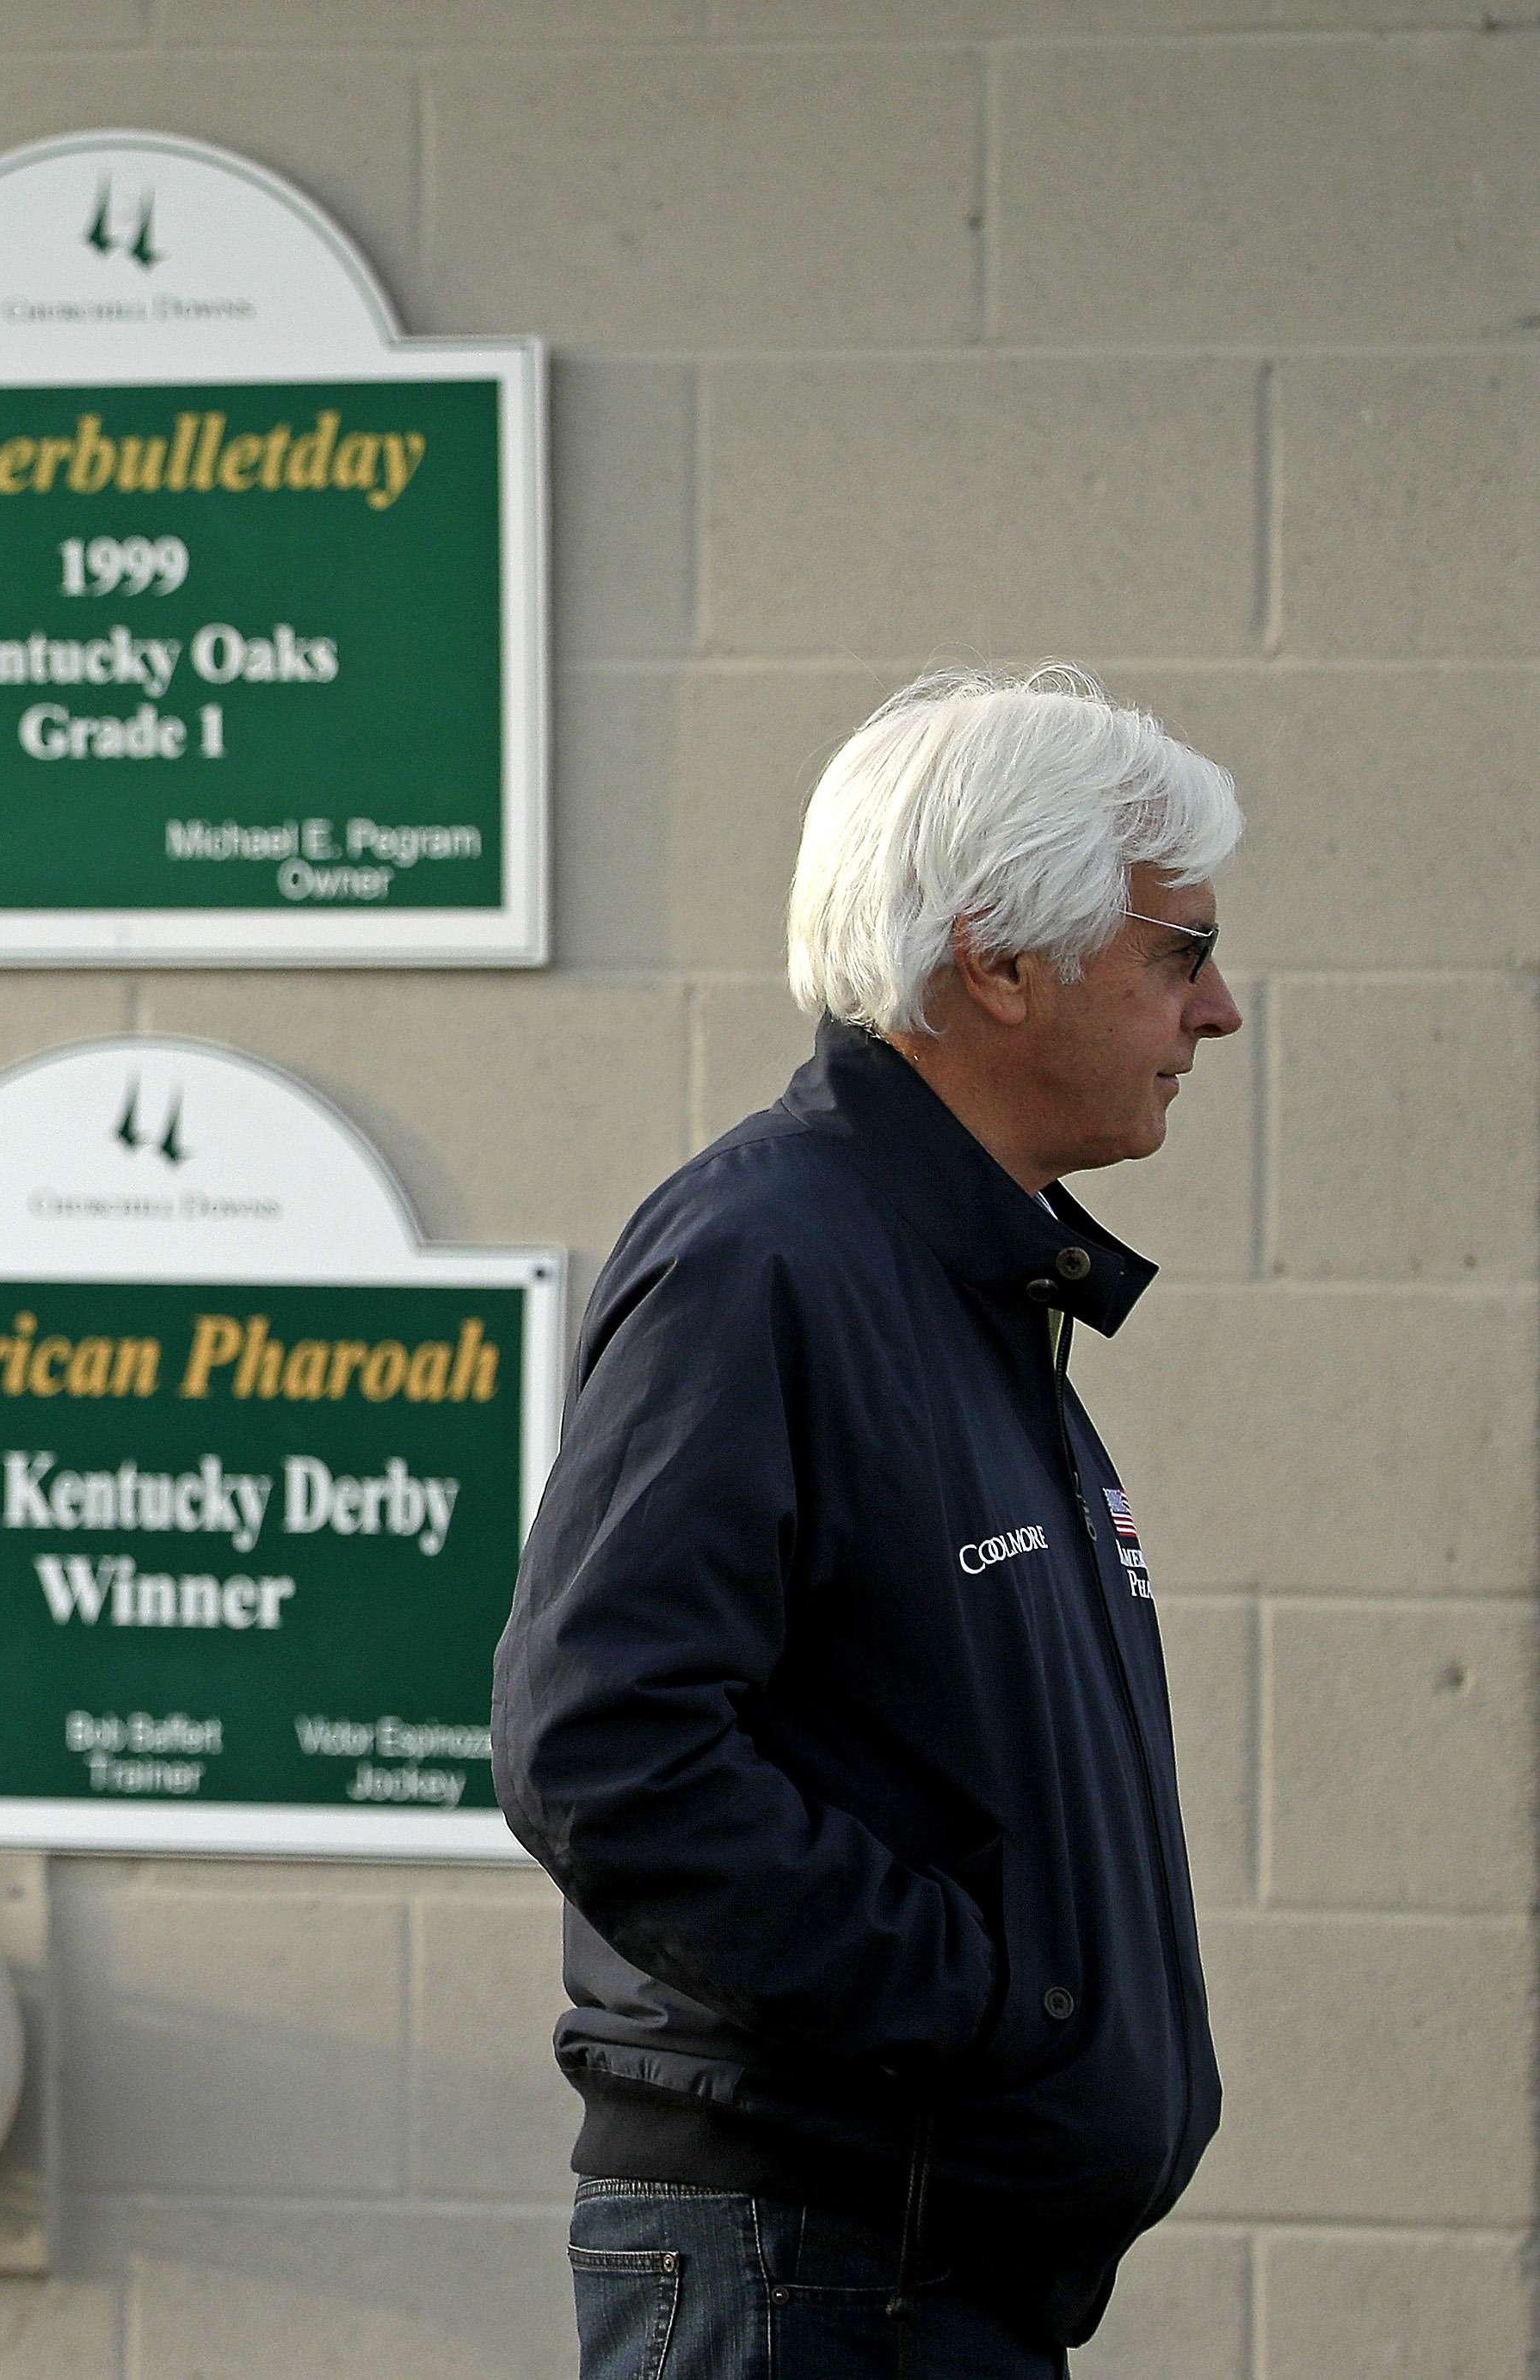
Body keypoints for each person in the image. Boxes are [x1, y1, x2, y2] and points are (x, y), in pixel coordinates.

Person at [495, 667, 1240, 2376]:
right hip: (813, 2269)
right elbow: (604, 1739)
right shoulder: (771, 1258)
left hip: (914, 2269)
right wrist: (981, 2009)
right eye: (1177, 953)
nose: (1215, 1014)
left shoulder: (958, 1280)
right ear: (997, 960)